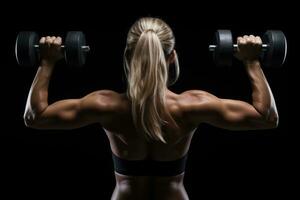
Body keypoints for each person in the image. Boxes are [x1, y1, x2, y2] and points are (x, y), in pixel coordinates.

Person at [23, 17, 278, 200]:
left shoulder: (105, 105)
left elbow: (35, 117)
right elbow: (266, 118)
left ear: (128, 56)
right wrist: (252, 62)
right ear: (171, 56)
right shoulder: (192, 105)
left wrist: (46, 62)